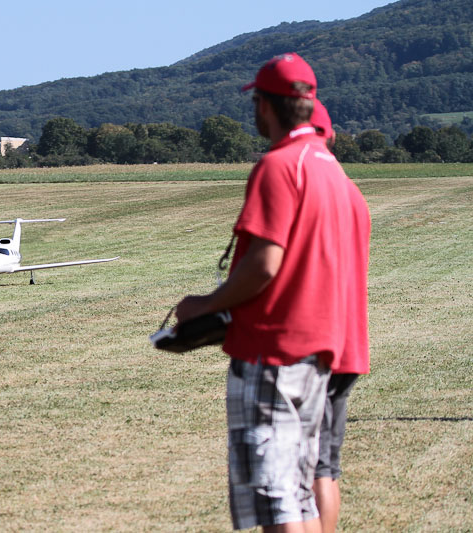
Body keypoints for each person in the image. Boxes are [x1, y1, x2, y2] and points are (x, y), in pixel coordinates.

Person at [175, 53, 370, 532]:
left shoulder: (280, 165)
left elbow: (264, 264)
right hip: (319, 352)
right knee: (300, 493)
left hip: (273, 352)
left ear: (265, 105)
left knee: (274, 495)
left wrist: (204, 305)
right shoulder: (334, 172)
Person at [309, 98, 371, 533]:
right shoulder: (351, 192)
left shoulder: (305, 181)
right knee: (326, 467)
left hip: (312, 343)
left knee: (298, 472)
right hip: (349, 344)